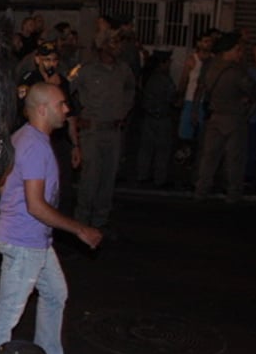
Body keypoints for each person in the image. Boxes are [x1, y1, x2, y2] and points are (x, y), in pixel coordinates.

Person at [0, 83, 102, 354]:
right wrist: (80, 230)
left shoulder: (23, 138)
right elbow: (36, 206)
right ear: (43, 109)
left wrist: (12, 207)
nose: (67, 110)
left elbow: (2, 184)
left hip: (30, 238)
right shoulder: (35, 146)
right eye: (61, 104)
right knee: (9, 310)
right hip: (25, 241)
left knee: (55, 294)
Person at [69, 30, 135, 233]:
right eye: (114, 42)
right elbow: (67, 91)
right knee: (90, 178)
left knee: (108, 178)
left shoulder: (123, 69)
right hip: (92, 132)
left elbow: (130, 89)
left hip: (113, 131)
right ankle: (81, 223)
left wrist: (123, 110)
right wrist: (75, 118)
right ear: (103, 45)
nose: (119, 46)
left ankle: (100, 221)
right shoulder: (86, 70)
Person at [16, 41, 81, 214]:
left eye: (54, 60)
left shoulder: (62, 82)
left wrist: (75, 145)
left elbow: (70, 115)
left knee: (62, 186)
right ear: (37, 60)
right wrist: (47, 88)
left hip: (58, 141)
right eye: (46, 59)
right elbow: (24, 110)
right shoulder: (29, 80)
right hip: (35, 140)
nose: (51, 64)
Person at [194, 31, 256, 202]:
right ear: (229, 50)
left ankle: (201, 190)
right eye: (238, 50)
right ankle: (233, 193)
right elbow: (254, 92)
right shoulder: (236, 72)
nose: (241, 53)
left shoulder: (210, 67)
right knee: (234, 159)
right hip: (234, 118)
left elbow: (201, 89)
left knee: (209, 158)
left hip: (214, 117)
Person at [134, 49, 177, 187]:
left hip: (148, 117)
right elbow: (172, 98)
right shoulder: (164, 79)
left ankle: (142, 175)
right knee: (162, 150)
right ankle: (159, 178)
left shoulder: (147, 77)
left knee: (146, 149)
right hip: (162, 117)